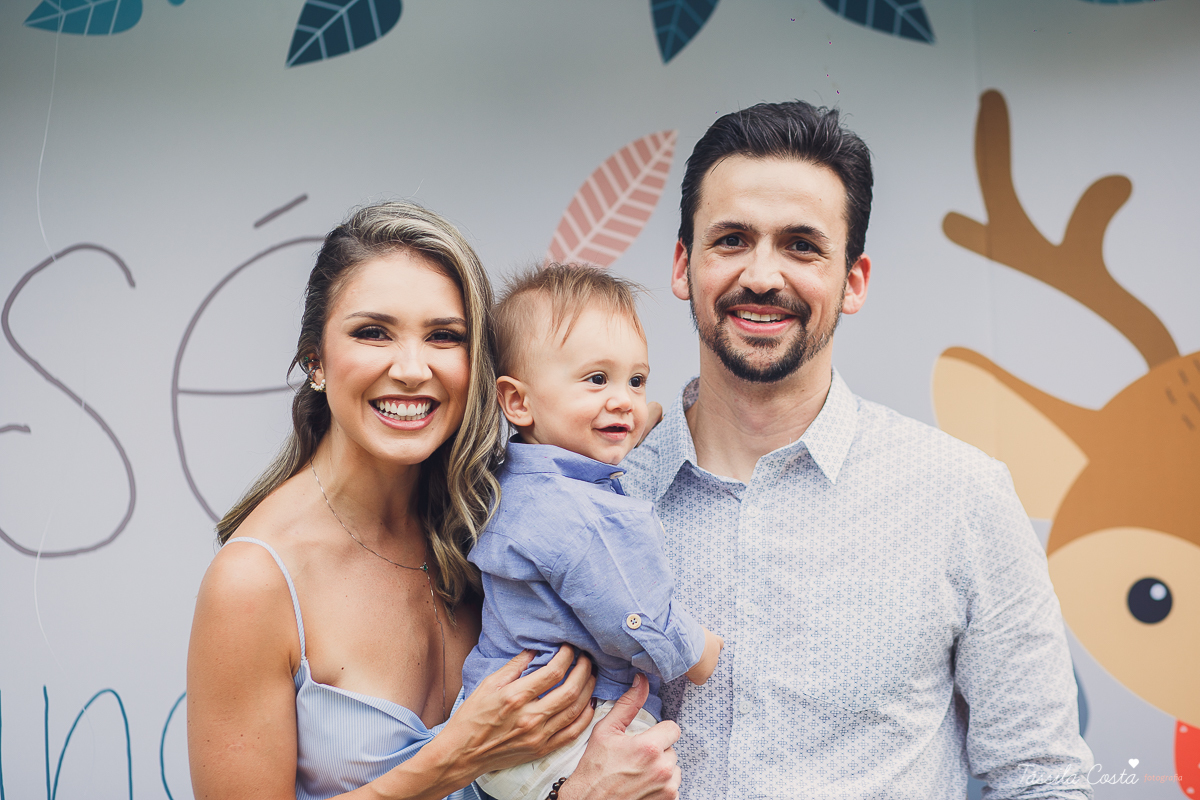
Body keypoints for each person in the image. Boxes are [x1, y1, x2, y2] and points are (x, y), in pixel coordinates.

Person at [619, 103, 1096, 798]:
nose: (762, 276)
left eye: (801, 246)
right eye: (732, 240)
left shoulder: (960, 496)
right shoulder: (600, 494)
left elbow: (1040, 777)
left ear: (854, 281)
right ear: (683, 265)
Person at [186, 202, 682, 800]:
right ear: (315, 360)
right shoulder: (255, 582)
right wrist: (454, 759)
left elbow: (628, 417)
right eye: (373, 332)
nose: (412, 368)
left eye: (444, 336)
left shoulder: (494, 517)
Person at [460, 265, 724, 800]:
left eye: (636, 380)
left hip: (501, 729)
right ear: (518, 402)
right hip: (572, 731)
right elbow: (632, 615)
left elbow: (615, 423)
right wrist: (699, 651)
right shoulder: (582, 512)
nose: (624, 400)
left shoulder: (512, 481)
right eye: (596, 379)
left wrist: (641, 415)